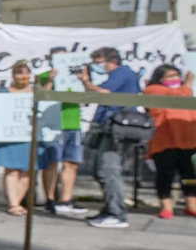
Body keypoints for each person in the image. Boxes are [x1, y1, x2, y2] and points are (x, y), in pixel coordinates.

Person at [80, 47, 145, 228]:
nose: (97, 66)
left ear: (110, 60)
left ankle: (118, 213)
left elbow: (104, 93)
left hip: (116, 129)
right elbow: (97, 92)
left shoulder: (122, 73)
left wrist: (86, 80)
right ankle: (111, 208)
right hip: (106, 127)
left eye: (98, 62)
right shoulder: (117, 76)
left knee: (109, 170)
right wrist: (86, 82)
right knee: (97, 168)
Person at [0, 61, 52, 216]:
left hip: (30, 138)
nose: (23, 76)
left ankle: (17, 200)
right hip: (10, 138)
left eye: (26, 72)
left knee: (28, 172)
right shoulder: (3, 93)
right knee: (11, 170)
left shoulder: (35, 92)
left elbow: (46, 100)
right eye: (19, 72)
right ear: (13, 75)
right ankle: (13, 203)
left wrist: (49, 79)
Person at [37, 46, 90, 217]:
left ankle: (66, 199)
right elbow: (43, 97)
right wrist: (51, 79)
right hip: (53, 125)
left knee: (71, 162)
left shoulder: (76, 77)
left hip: (73, 122)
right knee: (52, 162)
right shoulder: (43, 76)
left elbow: (88, 96)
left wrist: (84, 81)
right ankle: (50, 199)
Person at [144, 64, 196, 219]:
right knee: (165, 174)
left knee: (189, 175)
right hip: (164, 140)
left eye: (176, 75)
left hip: (188, 140)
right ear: (159, 78)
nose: (174, 79)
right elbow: (177, 96)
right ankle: (167, 207)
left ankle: (191, 205)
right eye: (170, 76)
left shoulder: (183, 91)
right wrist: (187, 84)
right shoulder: (152, 89)